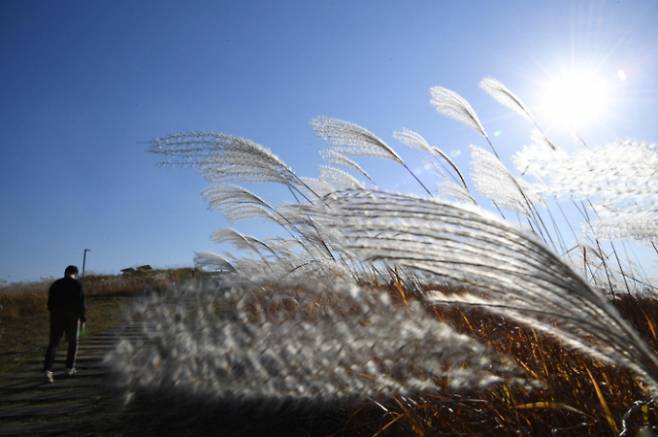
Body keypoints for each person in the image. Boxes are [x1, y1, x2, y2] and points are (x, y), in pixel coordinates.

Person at [43, 265, 86, 383]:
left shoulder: (55, 284)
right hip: (72, 317)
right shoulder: (77, 284)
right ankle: (69, 368)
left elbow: (50, 304)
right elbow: (81, 303)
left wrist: (55, 313)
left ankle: (48, 371)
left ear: (65, 273)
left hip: (56, 316)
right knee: (73, 343)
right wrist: (83, 319)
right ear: (75, 273)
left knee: (53, 344)